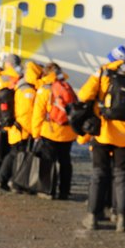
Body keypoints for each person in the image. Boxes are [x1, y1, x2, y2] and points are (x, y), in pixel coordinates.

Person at [78, 42, 125, 232]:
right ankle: (122, 218)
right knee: (122, 177)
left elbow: (84, 95)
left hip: (103, 133)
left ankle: (93, 216)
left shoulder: (102, 74)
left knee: (98, 175)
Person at [30, 62, 77, 200]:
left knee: (48, 162)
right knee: (65, 162)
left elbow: (38, 113)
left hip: (50, 131)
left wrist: (36, 134)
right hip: (67, 132)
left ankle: (47, 190)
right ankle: (64, 191)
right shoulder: (68, 87)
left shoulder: (45, 89)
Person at [0, 56, 41, 191]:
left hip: (16, 128)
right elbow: (27, 112)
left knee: (14, 154)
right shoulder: (28, 90)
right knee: (17, 155)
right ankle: (14, 182)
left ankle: (3, 179)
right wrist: (32, 131)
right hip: (22, 129)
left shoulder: (20, 85)